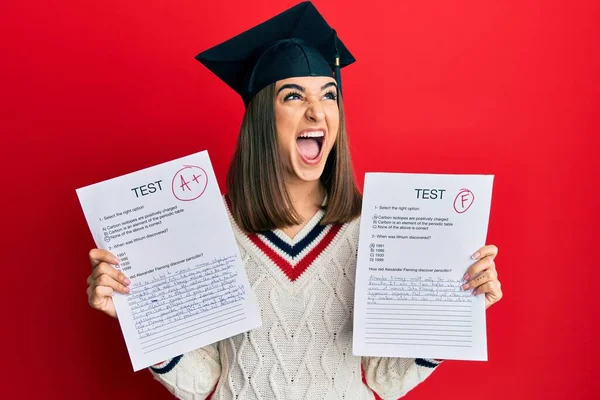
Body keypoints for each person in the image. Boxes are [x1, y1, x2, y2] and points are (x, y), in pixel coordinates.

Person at [85, 2, 503, 399]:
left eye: (328, 95)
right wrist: (138, 317)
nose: (317, 112)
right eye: (293, 96)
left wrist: (456, 304)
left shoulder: (378, 228)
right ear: (262, 116)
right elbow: (204, 382)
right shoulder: (208, 226)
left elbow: (384, 379)